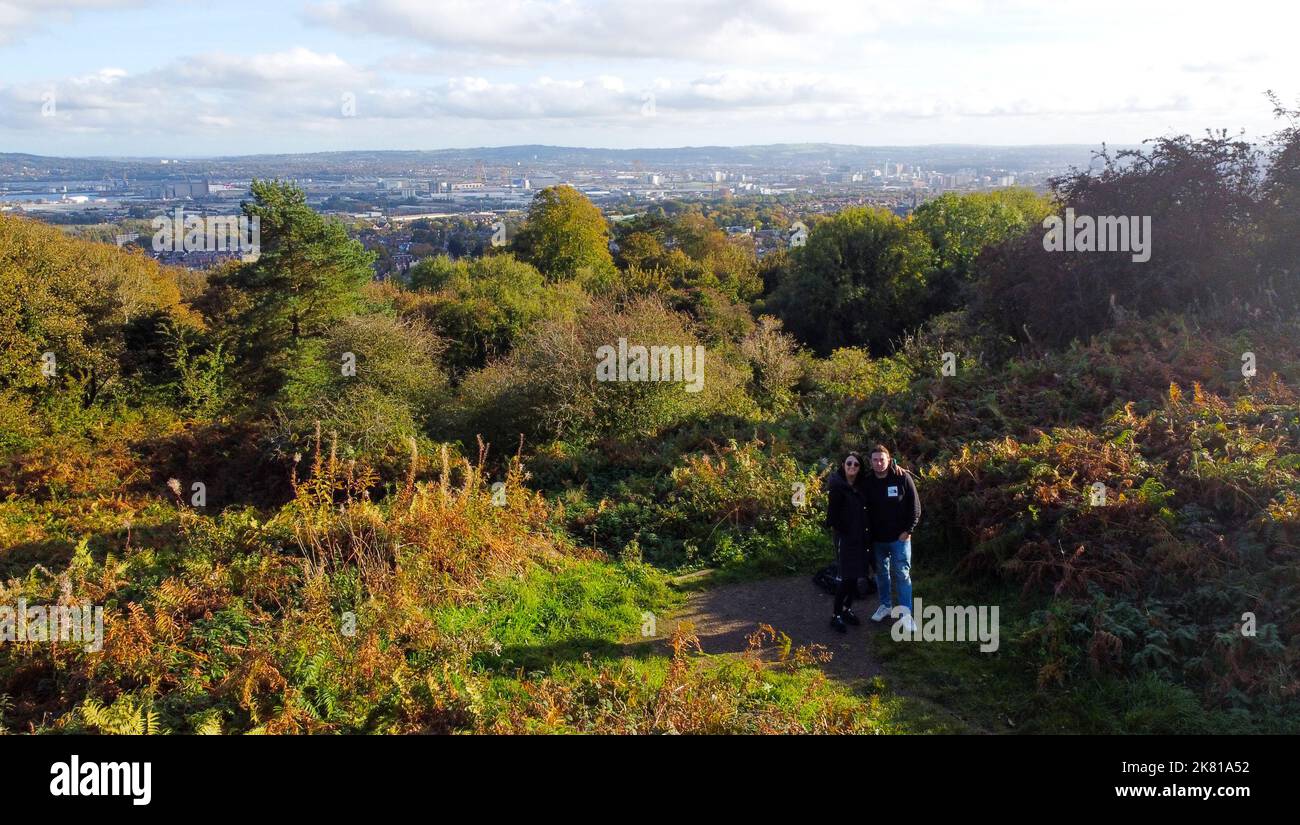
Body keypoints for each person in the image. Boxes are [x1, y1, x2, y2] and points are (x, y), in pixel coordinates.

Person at [864, 444, 921, 633]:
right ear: (870, 463)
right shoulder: (867, 481)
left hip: (900, 539)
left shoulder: (902, 477)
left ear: (889, 460)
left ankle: (906, 614)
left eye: (882, 459)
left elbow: (915, 507)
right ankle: (885, 606)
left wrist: (908, 530)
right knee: (881, 574)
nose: (879, 463)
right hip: (877, 540)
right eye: (875, 460)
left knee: (902, 575)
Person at [825, 451, 870, 633]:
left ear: (860, 468)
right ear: (843, 465)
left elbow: (881, 473)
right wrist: (845, 531)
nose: (852, 467)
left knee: (857, 576)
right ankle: (836, 614)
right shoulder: (837, 487)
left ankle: (846, 609)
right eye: (849, 463)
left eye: (856, 464)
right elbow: (831, 518)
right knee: (846, 577)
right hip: (845, 538)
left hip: (862, 538)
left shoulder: (861, 486)